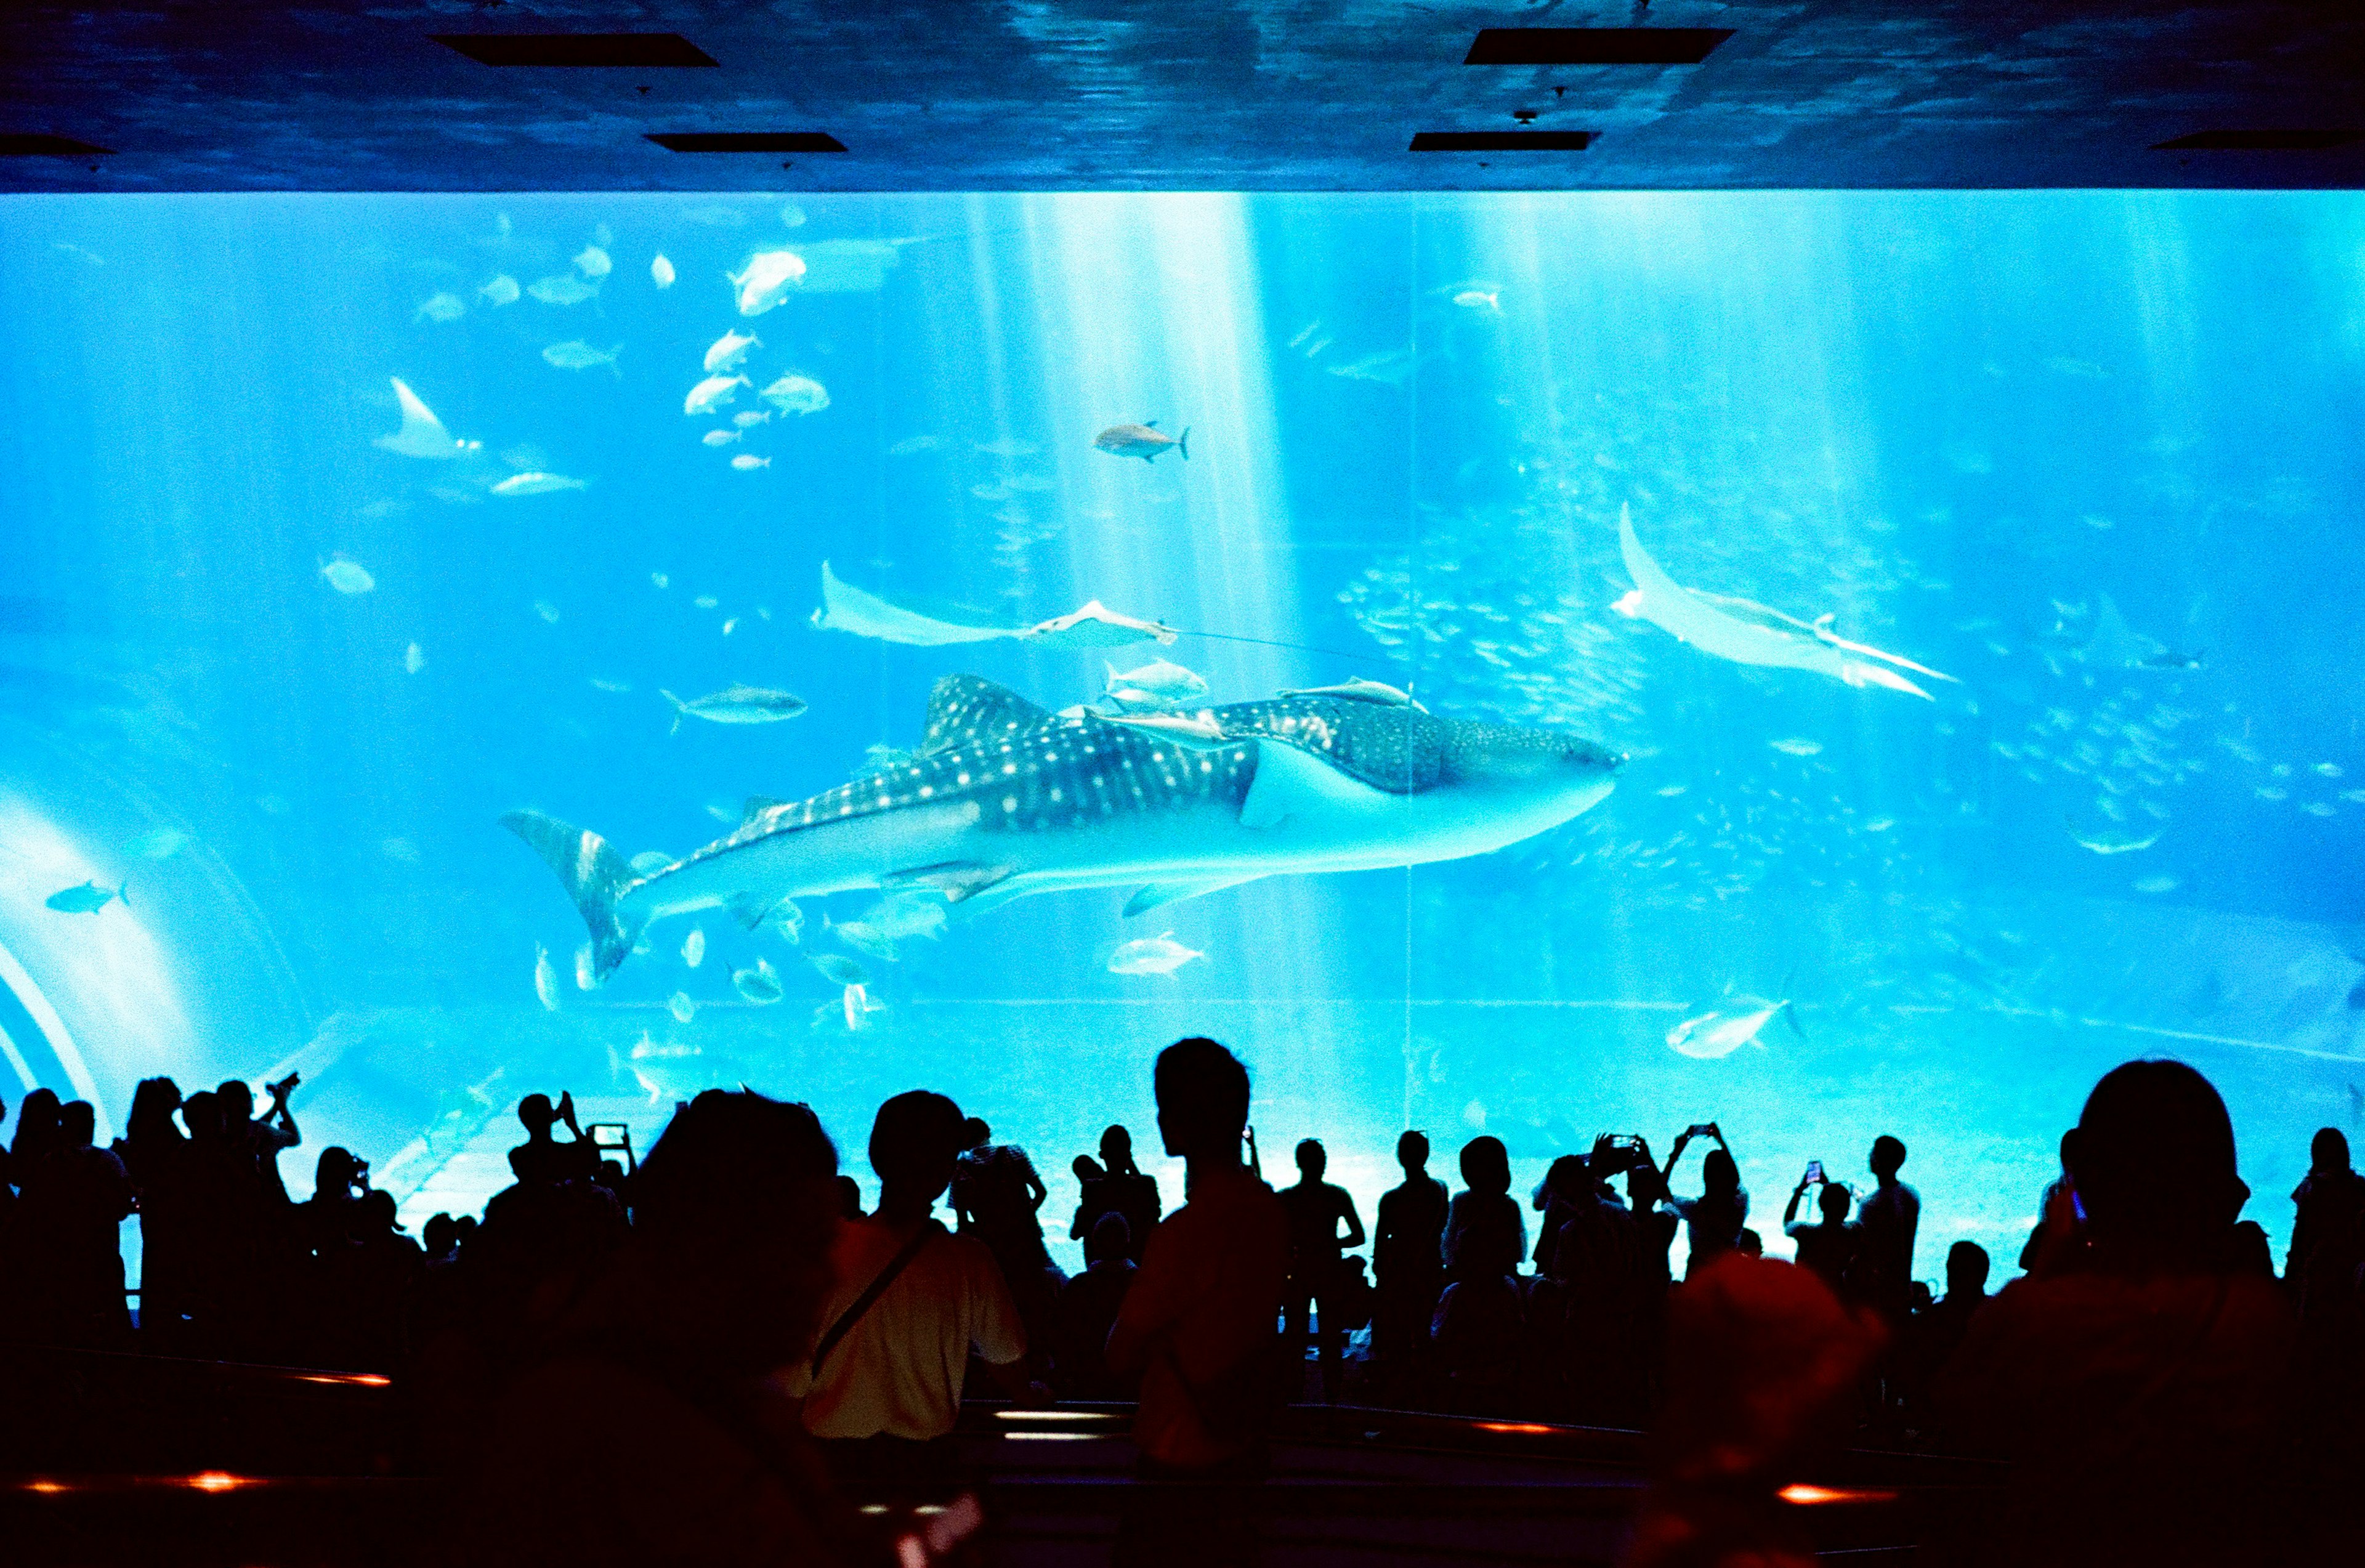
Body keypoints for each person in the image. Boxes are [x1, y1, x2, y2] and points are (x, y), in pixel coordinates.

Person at [475, 1089, 932, 1568]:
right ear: (716, 1246)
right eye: (804, 1249)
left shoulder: (713, 1390)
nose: (829, 1277)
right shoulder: (622, 1434)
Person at [1939, 1059, 2298, 1567]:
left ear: (2091, 1182)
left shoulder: (2036, 1314)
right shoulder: (2259, 1315)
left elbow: (1957, 1412)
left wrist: (2048, 1271)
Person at [780, 1091, 1032, 1491]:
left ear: (876, 1155)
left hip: (833, 1471)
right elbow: (1009, 1362)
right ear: (949, 1169)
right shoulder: (970, 1262)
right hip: (924, 1471)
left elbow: (789, 1383)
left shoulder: (826, 1252)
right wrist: (1032, 1394)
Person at [1107, 1038, 1290, 1470]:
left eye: (1165, 1105)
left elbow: (1118, 1356)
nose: (1158, 1118)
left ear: (1179, 1121)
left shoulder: (1184, 1232)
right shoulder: (1270, 1211)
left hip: (1179, 1447)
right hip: (1246, 1438)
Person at [1276, 1138, 1364, 1402]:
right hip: (1329, 1271)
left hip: (1298, 1273)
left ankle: (1294, 1401)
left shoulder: (1287, 1198)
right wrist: (1330, 1243)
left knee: (1295, 1338)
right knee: (1330, 1338)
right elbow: (1358, 1236)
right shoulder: (1337, 1195)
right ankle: (1333, 1401)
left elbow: (1276, 1239)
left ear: (1298, 1163)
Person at [1372, 1131, 1449, 1372]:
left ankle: (1400, 1385)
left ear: (1399, 1157)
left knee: (1400, 1334)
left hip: (1399, 1273)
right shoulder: (1440, 1190)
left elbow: (1379, 1246)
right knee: (1426, 1329)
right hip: (1430, 1269)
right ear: (1426, 1155)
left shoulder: (1391, 1199)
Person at [1053, 1212, 1138, 1399]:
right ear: (1128, 1241)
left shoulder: (1078, 1286)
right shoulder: (1144, 1285)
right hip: (1135, 1385)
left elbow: (1062, 1339)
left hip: (1087, 1386)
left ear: (1095, 1243)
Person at [1663, 1123, 1747, 1278]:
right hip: (1730, 1272)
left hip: (1699, 1272)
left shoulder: (1694, 1210)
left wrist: (1675, 1154)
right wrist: (1720, 1140)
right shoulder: (1740, 1205)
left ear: (1706, 1178)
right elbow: (1734, 1178)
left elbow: (1659, 1192)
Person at [1072, 1125, 1161, 1264]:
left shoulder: (1092, 1189)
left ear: (1102, 1156)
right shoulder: (1146, 1185)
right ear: (1128, 1155)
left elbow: (1077, 1233)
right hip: (1142, 1266)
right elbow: (1154, 1219)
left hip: (1101, 1271)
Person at [1442, 1135, 1524, 1283]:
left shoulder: (1460, 1201)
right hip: (1503, 1279)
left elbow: (1449, 1243)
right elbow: (1518, 1251)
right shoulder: (1511, 1205)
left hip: (1465, 1278)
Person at [1854, 1135, 1920, 1320]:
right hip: (1903, 1290)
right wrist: (1862, 1199)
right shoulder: (1911, 1195)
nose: (1869, 1156)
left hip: (1877, 1295)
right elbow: (1891, 1214)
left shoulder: (1871, 1205)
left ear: (1878, 1160)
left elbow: (1862, 1249)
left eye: (1873, 1153)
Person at [1782, 1165, 1861, 1296]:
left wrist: (1800, 1190)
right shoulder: (1854, 1231)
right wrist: (1830, 1185)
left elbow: (1787, 1222)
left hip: (1806, 1293)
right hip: (1838, 1292)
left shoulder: (1805, 1232)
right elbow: (1864, 1206)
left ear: (1821, 1204)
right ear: (1848, 1208)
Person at [509, 1092, 599, 1187]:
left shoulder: (518, 1155)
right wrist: (573, 1124)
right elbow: (594, 1162)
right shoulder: (568, 1151)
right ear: (551, 1115)